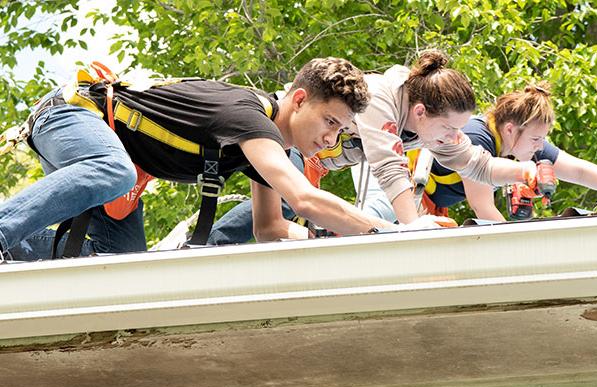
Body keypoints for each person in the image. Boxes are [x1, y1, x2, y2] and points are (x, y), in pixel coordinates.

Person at [0, 57, 441, 261]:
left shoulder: (268, 147)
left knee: (121, 262)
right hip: (72, 114)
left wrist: (339, 242)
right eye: (329, 121)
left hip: (112, 154)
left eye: (340, 131)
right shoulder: (249, 118)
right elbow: (305, 200)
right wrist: (395, 231)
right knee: (112, 171)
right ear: (300, 100)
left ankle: (17, 243)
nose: (330, 138)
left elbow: (269, 229)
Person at [206, 49, 541, 243]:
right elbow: (389, 166)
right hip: (291, 134)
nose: (455, 137)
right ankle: (205, 246)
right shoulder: (382, 97)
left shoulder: (431, 127)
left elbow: (478, 164)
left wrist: (525, 172)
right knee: (289, 204)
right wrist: (411, 229)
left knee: (304, 217)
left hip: (319, 158)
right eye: (450, 128)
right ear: (421, 112)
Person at [406, 81, 597, 220]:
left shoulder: (526, 146)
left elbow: (579, 172)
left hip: (430, 206)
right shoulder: (477, 138)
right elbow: (482, 207)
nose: (540, 146)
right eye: (536, 138)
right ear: (510, 130)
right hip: (401, 195)